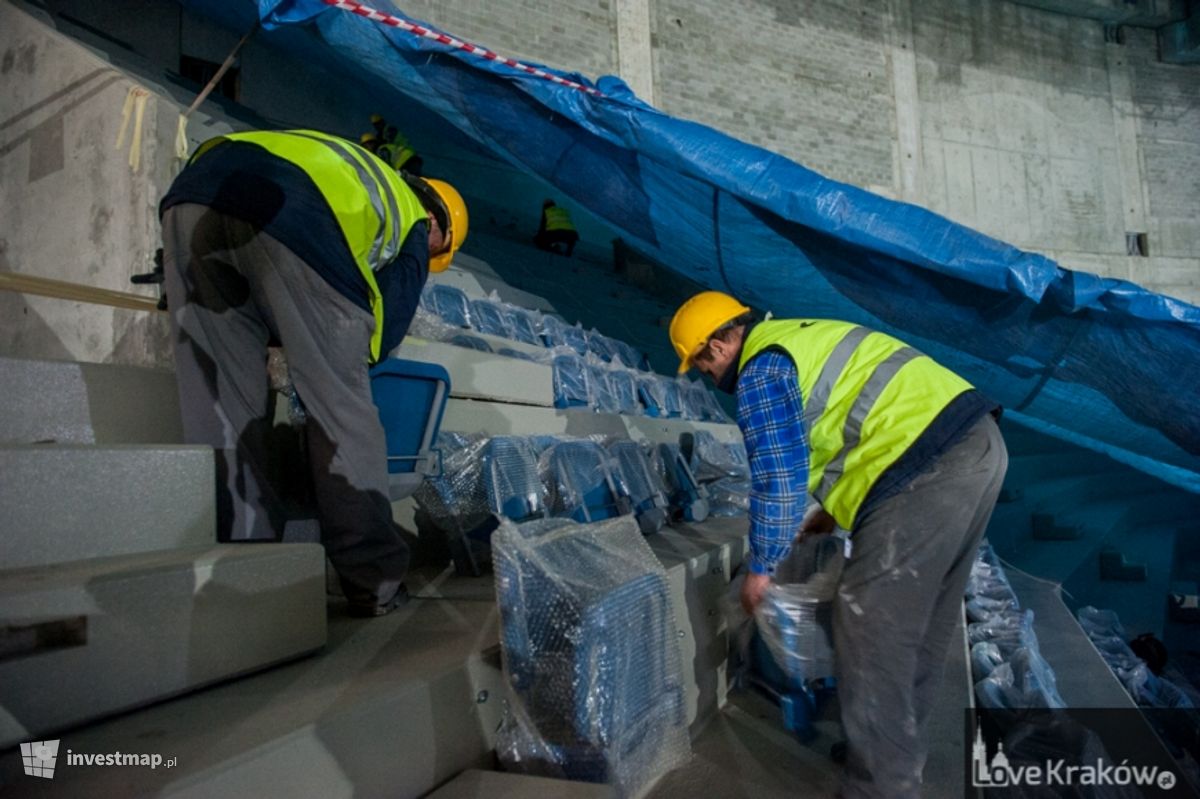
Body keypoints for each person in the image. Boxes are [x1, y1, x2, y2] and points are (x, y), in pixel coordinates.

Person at [669, 291, 1007, 798]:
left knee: (868, 621)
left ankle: (880, 786)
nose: (703, 373)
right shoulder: (794, 338)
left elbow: (779, 478)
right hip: (977, 447)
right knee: (927, 620)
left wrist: (762, 566)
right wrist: (829, 512)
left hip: (927, 467)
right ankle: (895, 757)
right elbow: (856, 424)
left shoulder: (761, 373)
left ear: (718, 344)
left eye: (699, 360)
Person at [159, 128, 468, 617]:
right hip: (295, 210)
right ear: (436, 221)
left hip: (190, 196)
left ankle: (250, 565)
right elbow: (377, 339)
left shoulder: (345, 161)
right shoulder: (410, 218)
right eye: (437, 250)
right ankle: (375, 580)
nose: (429, 259)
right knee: (341, 405)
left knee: (222, 405)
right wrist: (315, 353)